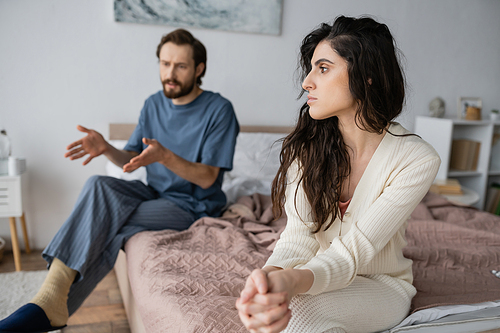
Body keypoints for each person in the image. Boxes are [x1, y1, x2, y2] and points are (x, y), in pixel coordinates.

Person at [0, 28, 239, 333]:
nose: (170, 73)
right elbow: (132, 159)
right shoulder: (153, 104)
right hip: (153, 192)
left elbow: (208, 178)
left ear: (199, 69)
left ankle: (45, 306)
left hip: (192, 205)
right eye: (165, 64)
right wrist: (106, 149)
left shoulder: (219, 110)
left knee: (110, 225)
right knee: (98, 185)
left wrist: (166, 157)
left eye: (180, 66)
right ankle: (49, 306)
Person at [236, 16, 440, 333]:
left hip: (380, 284)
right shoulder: (307, 148)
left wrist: (292, 282)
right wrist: (268, 280)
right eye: (311, 68)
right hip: (314, 273)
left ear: (367, 76)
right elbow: (298, 237)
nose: (307, 82)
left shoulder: (416, 158)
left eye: (323, 68)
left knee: (297, 314)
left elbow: (352, 253)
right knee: (279, 308)